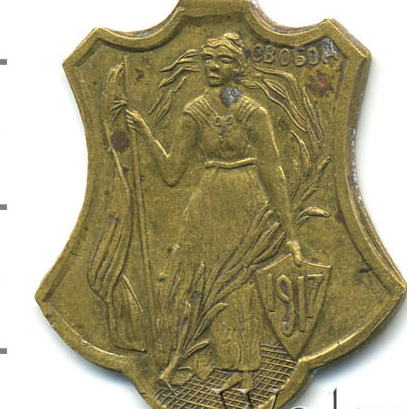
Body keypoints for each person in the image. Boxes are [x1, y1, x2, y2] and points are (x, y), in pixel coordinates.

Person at [126, 33, 302, 390]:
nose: (213, 66)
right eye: (208, 59)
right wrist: (145, 134)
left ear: (238, 67)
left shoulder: (254, 113)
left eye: (222, 60)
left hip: (247, 198)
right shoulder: (195, 112)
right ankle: (221, 364)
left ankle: (247, 370)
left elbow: (273, 170)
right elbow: (172, 172)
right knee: (206, 282)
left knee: (240, 283)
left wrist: (291, 234)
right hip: (208, 200)